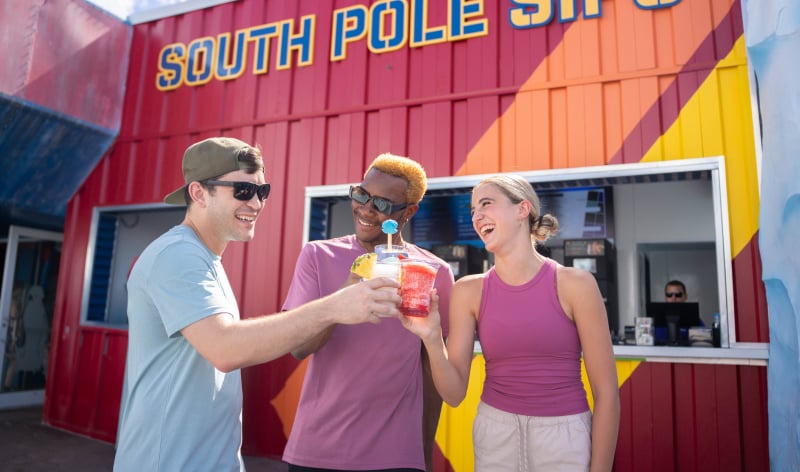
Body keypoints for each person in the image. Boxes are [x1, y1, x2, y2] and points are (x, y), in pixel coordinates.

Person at [114, 137, 402, 471]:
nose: (255, 203)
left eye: (261, 192)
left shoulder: (203, 258)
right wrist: (334, 307)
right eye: (242, 191)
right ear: (197, 193)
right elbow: (226, 348)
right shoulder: (177, 255)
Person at [400, 174, 620, 471]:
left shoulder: (576, 284)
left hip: (564, 436)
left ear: (522, 210)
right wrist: (430, 337)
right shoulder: (467, 291)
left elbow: (606, 393)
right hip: (495, 433)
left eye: (486, 204)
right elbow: (453, 395)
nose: (477, 216)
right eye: (473, 210)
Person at [280, 153, 455, 472]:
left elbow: (430, 375)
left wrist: (424, 450)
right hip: (318, 449)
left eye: (384, 204)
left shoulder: (433, 272)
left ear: (409, 212)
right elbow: (299, 348)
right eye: (361, 195)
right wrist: (345, 294)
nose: (366, 209)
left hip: (397, 455)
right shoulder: (317, 256)